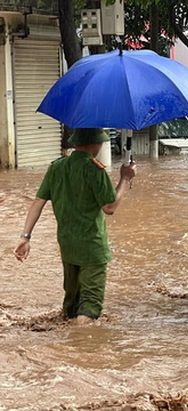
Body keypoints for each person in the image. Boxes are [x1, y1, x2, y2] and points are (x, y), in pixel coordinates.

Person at [13, 128, 137, 324]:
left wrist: (25, 237)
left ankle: (63, 345)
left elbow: (38, 202)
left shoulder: (56, 167)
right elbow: (110, 207)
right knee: (89, 305)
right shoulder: (95, 170)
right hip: (92, 248)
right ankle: (78, 348)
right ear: (96, 144)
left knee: (71, 304)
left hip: (67, 245)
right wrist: (125, 179)